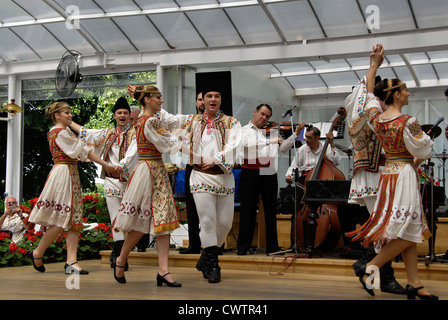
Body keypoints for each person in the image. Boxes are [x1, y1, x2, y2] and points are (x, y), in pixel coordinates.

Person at [346, 77, 438, 300]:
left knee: (405, 226)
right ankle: (372, 266)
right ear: (396, 94)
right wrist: (420, 151)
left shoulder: (376, 119)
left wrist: (373, 67)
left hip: (388, 173)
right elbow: (424, 148)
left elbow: (369, 100)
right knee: (412, 227)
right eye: (405, 89)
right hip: (404, 175)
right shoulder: (408, 121)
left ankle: (414, 282)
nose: (408, 93)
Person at [345, 45, 405, 295]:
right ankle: (367, 265)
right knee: (386, 228)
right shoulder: (365, 110)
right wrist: (373, 66)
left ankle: (377, 275)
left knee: (385, 229)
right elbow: (369, 95)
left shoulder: (363, 110)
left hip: (374, 173)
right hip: (372, 173)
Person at [28, 101, 114, 274]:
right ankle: (37, 252)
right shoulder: (58, 132)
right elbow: (80, 150)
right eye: (66, 113)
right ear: (57, 115)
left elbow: (84, 151)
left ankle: (71, 261)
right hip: (63, 174)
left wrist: (106, 165)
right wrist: (105, 162)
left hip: (70, 172)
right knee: (61, 219)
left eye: (70, 112)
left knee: (74, 220)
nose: (70, 115)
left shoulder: (66, 132)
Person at [112, 85, 183, 287]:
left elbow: (166, 139)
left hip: (157, 168)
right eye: (158, 97)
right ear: (148, 99)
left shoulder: (151, 120)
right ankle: (121, 258)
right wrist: (182, 137)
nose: (161, 101)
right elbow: (166, 144)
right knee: (140, 223)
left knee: (164, 221)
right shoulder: (149, 121)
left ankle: (164, 271)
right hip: (148, 170)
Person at [182, 81, 242, 283]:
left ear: (221, 99)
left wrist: (216, 159)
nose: (213, 99)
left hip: (224, 176)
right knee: (207, 221)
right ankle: (214, 265)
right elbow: (169, 126)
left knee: (224, 224)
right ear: (202, 100)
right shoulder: (192, 121)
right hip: (200, 176)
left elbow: (235, 145)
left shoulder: (232, 122)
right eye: (209, 96)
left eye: (217, 96)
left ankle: (204, 258)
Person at [70, 97, 138, 270]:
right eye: (119, 113)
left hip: (131, 181)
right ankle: (119, 255)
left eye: (125, 113)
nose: (122, 115)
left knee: (128, 219)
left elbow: (134, 154)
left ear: (130, 116)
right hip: (111, 180)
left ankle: (121, 254)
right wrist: (70, 122)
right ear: (114, 115)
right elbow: (86, 133)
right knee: (115, 217)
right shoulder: (107, 133)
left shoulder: (136, 134)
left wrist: (121, 167)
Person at [281, 123, 341, 247]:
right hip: (305, 180)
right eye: (305, 137)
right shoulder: (303, 149)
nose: (306, 140)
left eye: (309, 138)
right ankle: (296, 242)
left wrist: (332, 144)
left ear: (318, 138)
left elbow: (336, 162)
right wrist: (289, 176)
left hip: (321, 180)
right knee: (298, 209)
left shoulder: (326, 147)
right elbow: (294, 166)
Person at [237, 103, 282, 255]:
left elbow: (282, 148)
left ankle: (272, 247)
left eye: (267, 116)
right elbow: (247, 146)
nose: (264, 118)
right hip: (250, 169)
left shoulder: (273, 131)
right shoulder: (243, 130)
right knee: (248, 209)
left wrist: (295, 134)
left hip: (269, 169)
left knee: (270, 211)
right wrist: (270, 141)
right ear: (255, 111)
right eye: (262, 114)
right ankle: (243, 246)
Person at [179, 92, 205, 254]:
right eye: (200, 99)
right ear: (196, 102)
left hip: (210, 166)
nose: (202, 102)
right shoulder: (190, 120)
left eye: (205, 99)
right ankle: (194, 244)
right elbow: (178, 139)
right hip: (192, 165)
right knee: (191, 207)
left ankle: (215, 246)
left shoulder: (220, 121)